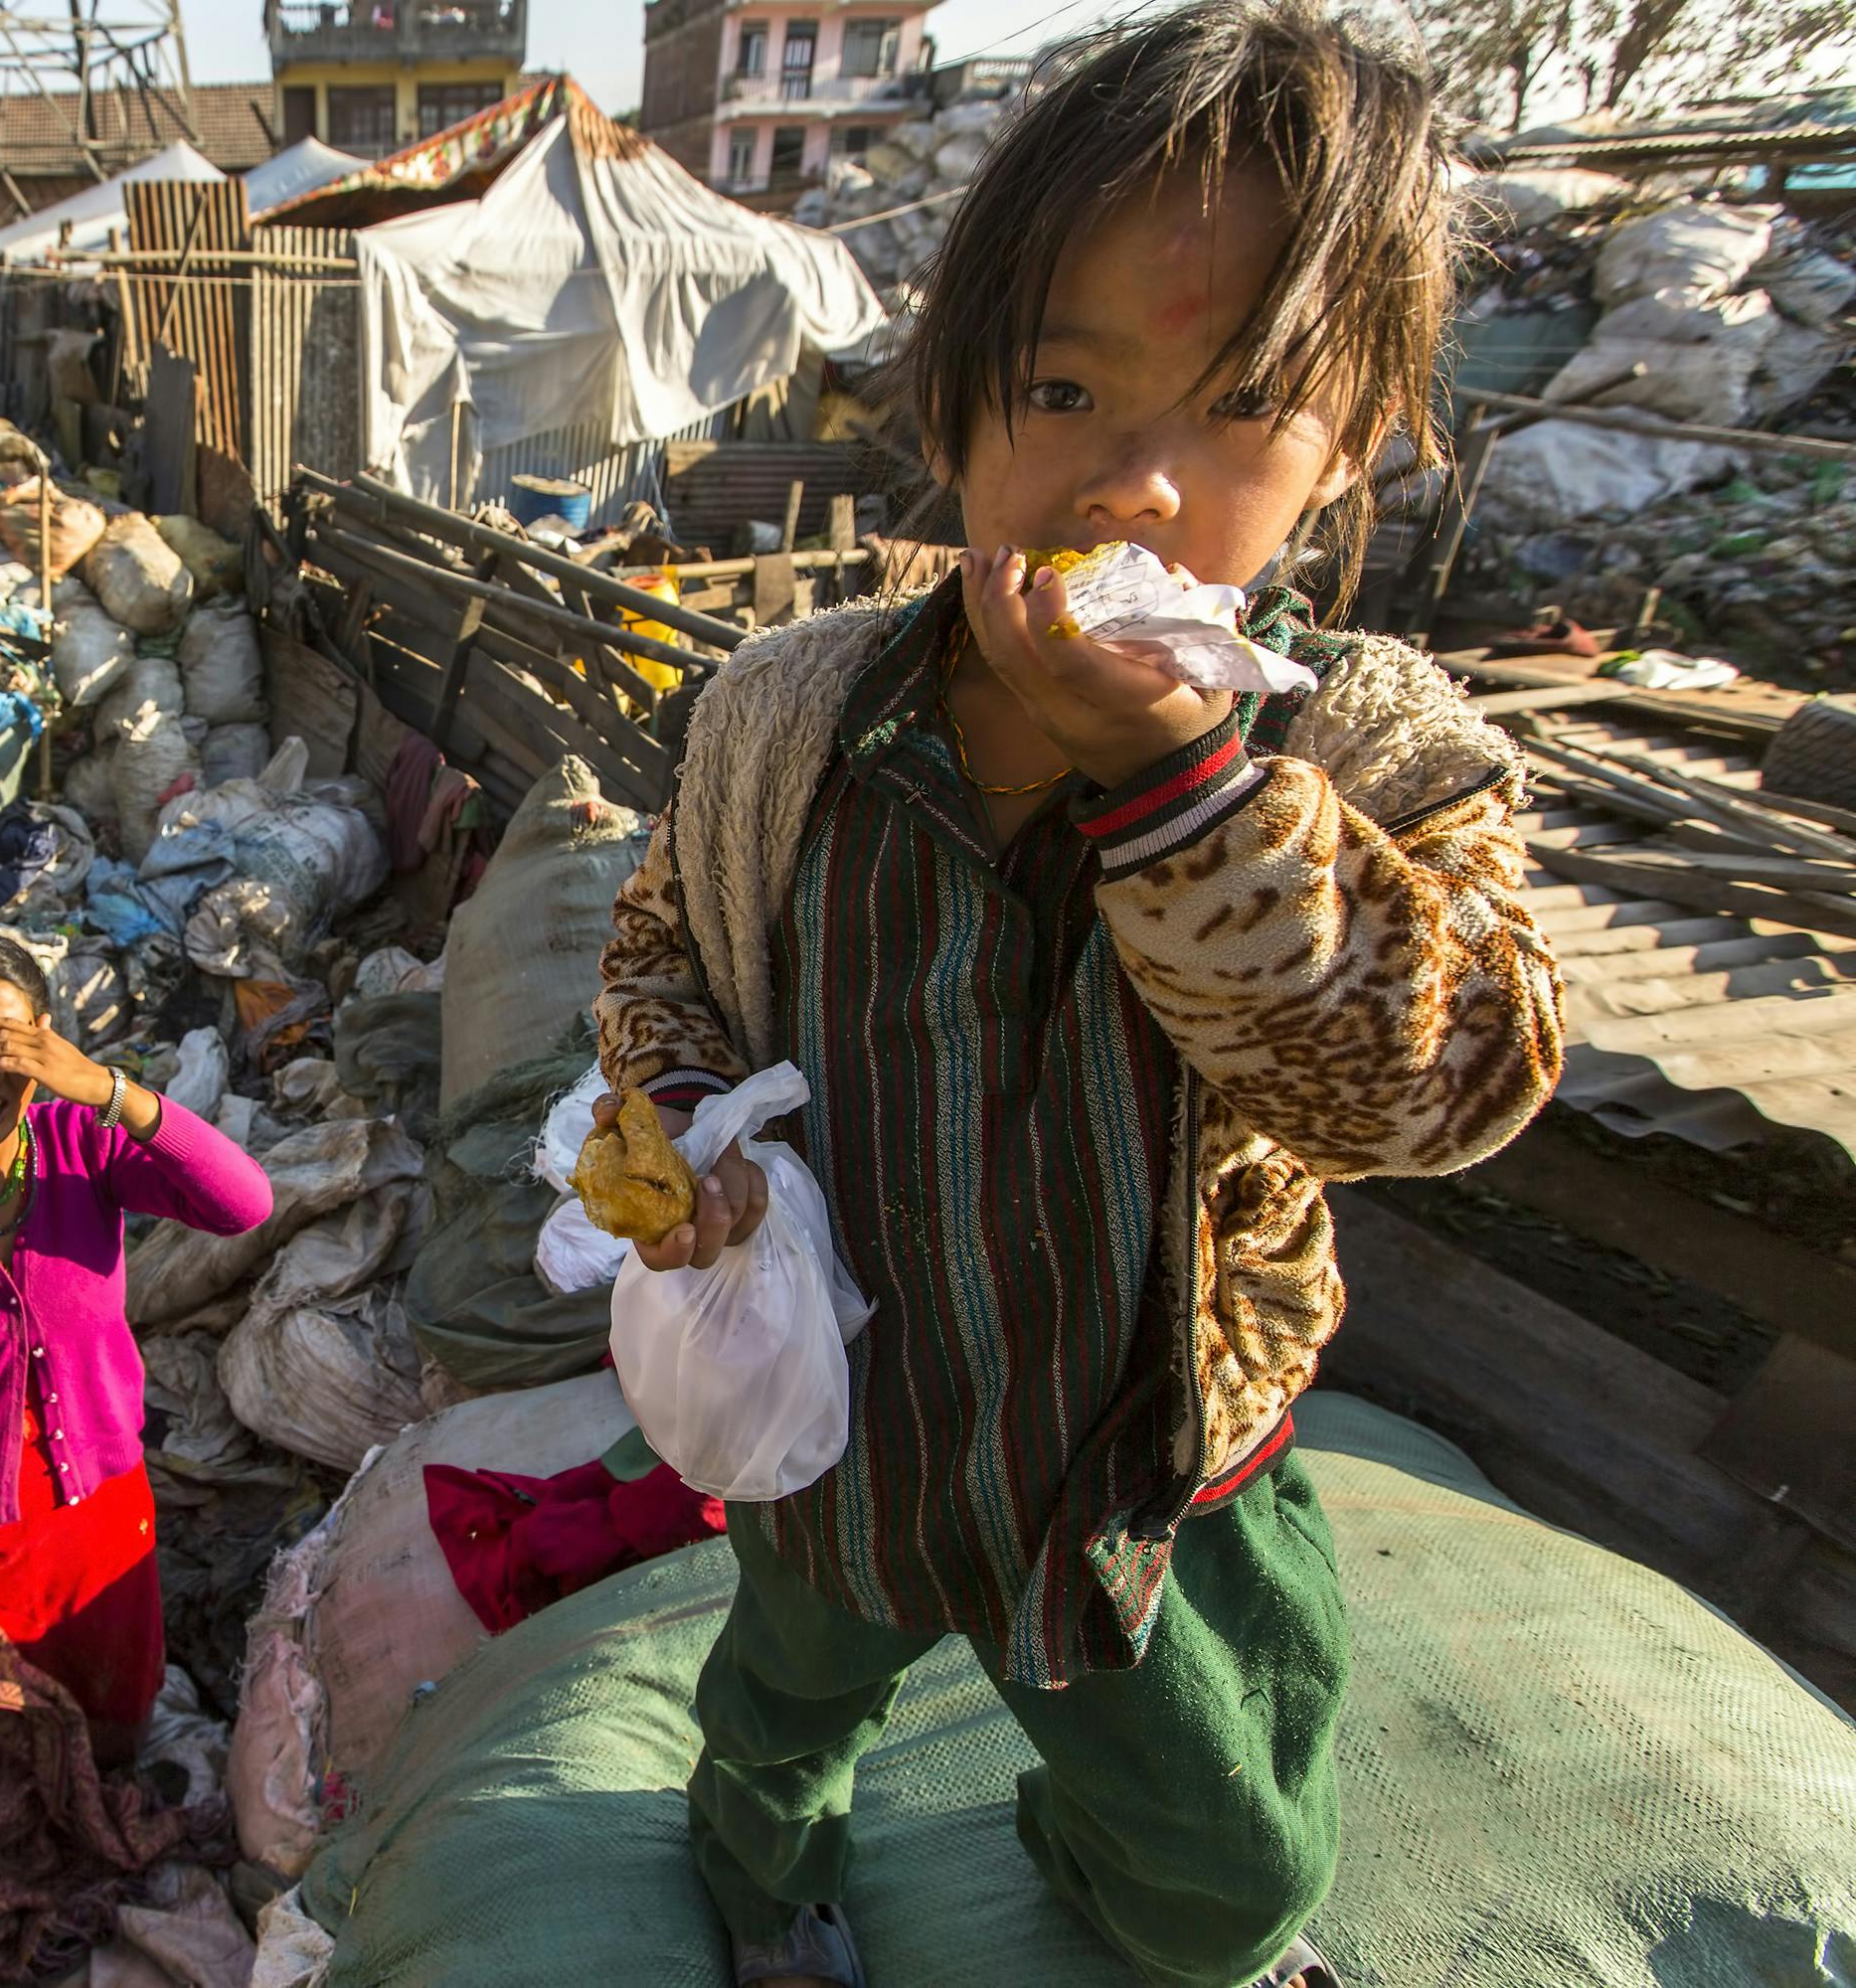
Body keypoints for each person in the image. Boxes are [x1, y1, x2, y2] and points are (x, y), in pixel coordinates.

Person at [591, 8, 1567, 1987]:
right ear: (950, 411)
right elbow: (663, 944)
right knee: (776, 1720)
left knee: (1223, 1846)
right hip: (852, 1424)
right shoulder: (794, 718)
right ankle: (770, 1902)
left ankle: (1129, 1881)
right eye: (1061, 386)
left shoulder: (1375, 756)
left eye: (1237, 410)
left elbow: (1435, 1092)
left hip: (1141, 1475)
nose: (1134, 486)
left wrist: (1187, 793)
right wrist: (683, 1123)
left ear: (1353, 440)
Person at [0, 931, 273, 1761]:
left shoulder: (79, 1143)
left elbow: (243, 1203)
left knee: (113, 1716)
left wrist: (106, 1089)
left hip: (104, 1511)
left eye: (9, 1043)